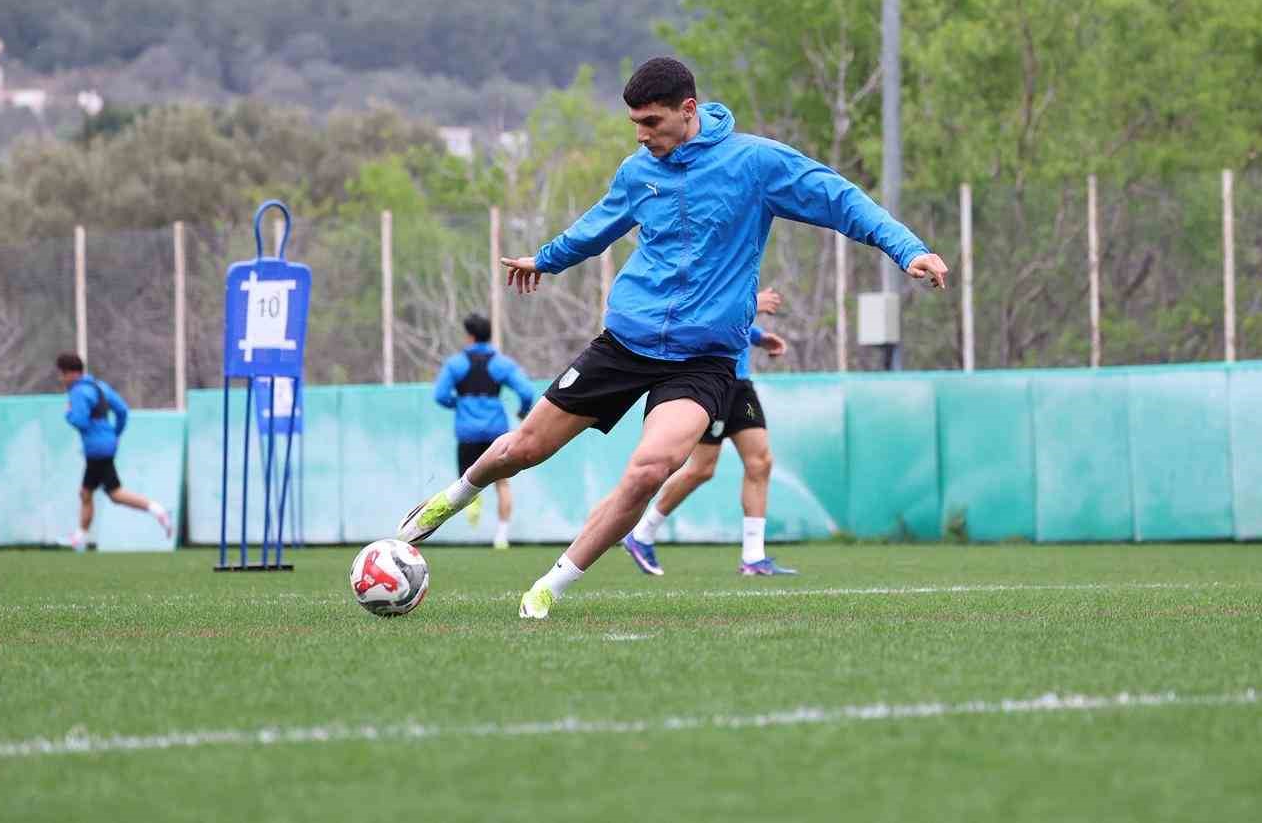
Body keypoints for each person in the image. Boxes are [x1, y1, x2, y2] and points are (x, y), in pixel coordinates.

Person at [395, 56, 948, 619]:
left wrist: (908, 250)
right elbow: (598, 225)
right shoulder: (638, 171)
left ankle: (547, 589)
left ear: (688, 110)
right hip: (624, 345)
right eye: (634, 123)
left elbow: (841, 199)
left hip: (703, 363)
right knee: (525, 449)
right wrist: (546, 259)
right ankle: (453, 498)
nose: (641, 135)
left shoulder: (755, 163)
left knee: (650, 469)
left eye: (651, 122)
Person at [622, 286, 797, 576]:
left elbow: (732, 320)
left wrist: (758, 337)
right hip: (713, 381)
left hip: (741, 386)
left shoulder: (739, 275)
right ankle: (642, 533)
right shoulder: (703, 274)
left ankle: (754, 557)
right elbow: (705, 313)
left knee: (760, 462)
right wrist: (754, 303)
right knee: (701, 469)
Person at [431, 313, 536, 549]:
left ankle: (473, 499)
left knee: (466, 480)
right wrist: (523, 410)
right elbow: (527, 391)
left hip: (467, 431)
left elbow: (440, 395)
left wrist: (457, 404)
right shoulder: (501, 363)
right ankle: (502, 536)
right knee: (502, 483)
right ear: (488, 336)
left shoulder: (456, 364)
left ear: (469, 337)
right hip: (496, 431)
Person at [57, 352, 171, 550]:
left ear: (71, 374)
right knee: (88, 492)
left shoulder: (77, 392)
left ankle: (157, 510)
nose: (61, 379)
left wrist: (68, 414)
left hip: (96, 449)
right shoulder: (99, 386)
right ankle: (80, 537)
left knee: (113, 494)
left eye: (62, 374)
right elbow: (122, 410)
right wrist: (115, 433)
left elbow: (80, 421)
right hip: (106, 444)